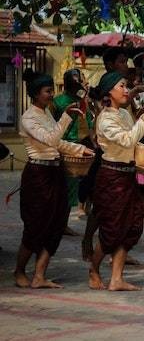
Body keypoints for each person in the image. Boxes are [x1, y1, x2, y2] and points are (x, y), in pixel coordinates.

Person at [88, 72, 144, 291]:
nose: (126, 90)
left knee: (131, 225)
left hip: (128, 174)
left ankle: (116, 278)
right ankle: (94, 268)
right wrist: (143, 119)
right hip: (111, 176)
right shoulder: (105, 118)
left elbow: (136, 142)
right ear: (109, 92)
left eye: (126, 86)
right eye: (122, 86)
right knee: (112, 229)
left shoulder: (123, 113)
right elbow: (127, 140)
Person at [15, 69, 94, 289]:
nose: (51, 95)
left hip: (55, 171)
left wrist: (80, 150)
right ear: (36, 94)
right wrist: (67, 117)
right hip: (37, 175)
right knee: (35, 226)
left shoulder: (47, 114)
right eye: (48, 91)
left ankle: (40, 274)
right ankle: (19, 270)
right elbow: (50, 140)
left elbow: (59, 145)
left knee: (56, 224)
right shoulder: (28, 117)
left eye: (51, 91)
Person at [51, 69, 93, 232]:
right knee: (60, 186)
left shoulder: (82, 99)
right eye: (78, 81)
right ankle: (57, 222)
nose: (81, 83)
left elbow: (88, 120)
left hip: (79, 145)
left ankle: (63, 223)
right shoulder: (59, 102)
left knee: (72, 187)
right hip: (62, 146)